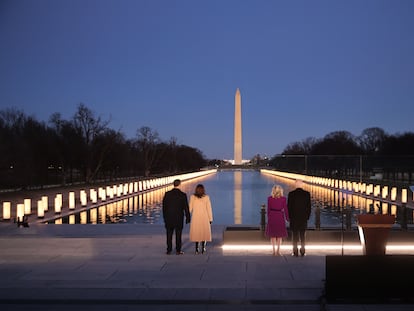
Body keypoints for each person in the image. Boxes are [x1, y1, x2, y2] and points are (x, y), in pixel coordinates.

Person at [162, 179, 191, 255]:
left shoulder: (167, 194)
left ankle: (169, 250)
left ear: (173, 184)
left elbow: (164, 207)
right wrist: (188, 218)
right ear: (180, 185)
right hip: (179, 218)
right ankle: (178, 250)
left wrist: (165, 217)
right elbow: (186, 208)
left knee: (169, 235)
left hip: (169, 218)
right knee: (178, 235)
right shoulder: (182, 195)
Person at [287, 179, 312, 257]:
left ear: (295, 185)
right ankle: (303, 251)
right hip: (303, 218)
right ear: (302, 185)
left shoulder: (291, 194)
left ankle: (295, 251)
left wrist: (290, 217)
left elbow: (289, 207)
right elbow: (309, 207)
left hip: (294, 218)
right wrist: (307, 217)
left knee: (294, 235)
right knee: (303, 235)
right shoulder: (307, 194)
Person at [265, 184, 289, 256]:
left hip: (272, 216)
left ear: (273, 191)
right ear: (280, 191)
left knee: (272, 235)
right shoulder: (283, 198)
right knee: (279, 235)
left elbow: (268, 209)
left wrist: (269, 217)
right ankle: (278, 251)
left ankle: (274, 251)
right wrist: (287, 218)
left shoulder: (269, 198)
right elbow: (285, 209)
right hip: (280, 216)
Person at [189, 184, 213, 254]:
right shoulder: (206, 197)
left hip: (196, 217)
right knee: (204, 232)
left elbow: (190, 208)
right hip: (204, 217)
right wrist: (210, 219)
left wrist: (186, 215)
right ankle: (203, 248)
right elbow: (209, 209)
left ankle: (196, 249)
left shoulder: (192, 197)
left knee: (196, 233)